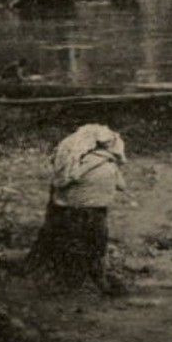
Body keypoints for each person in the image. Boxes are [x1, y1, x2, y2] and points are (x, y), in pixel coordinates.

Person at [25, 124, 128, 293]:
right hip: (97, 212)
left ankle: (64, 281)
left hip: (71, 211)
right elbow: (122, 186)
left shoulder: (75, 162)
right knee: (96, 246)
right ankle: (98, 281)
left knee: (73, 245)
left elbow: (62, 183)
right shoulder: (109, 163)